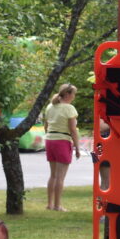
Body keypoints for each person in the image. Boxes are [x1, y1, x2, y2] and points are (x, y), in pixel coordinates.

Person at [43, 84, 81, 212]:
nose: (74, 96)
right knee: (60, 177)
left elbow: (46, 126)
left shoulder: (50, 107)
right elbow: (73, 130)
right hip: (63, 141)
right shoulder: (69, 109)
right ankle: (57, 206)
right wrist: (77, 147)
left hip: (50, 140)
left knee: (53, 175)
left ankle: (49, 204)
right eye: (73, 94)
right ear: (68, 94)